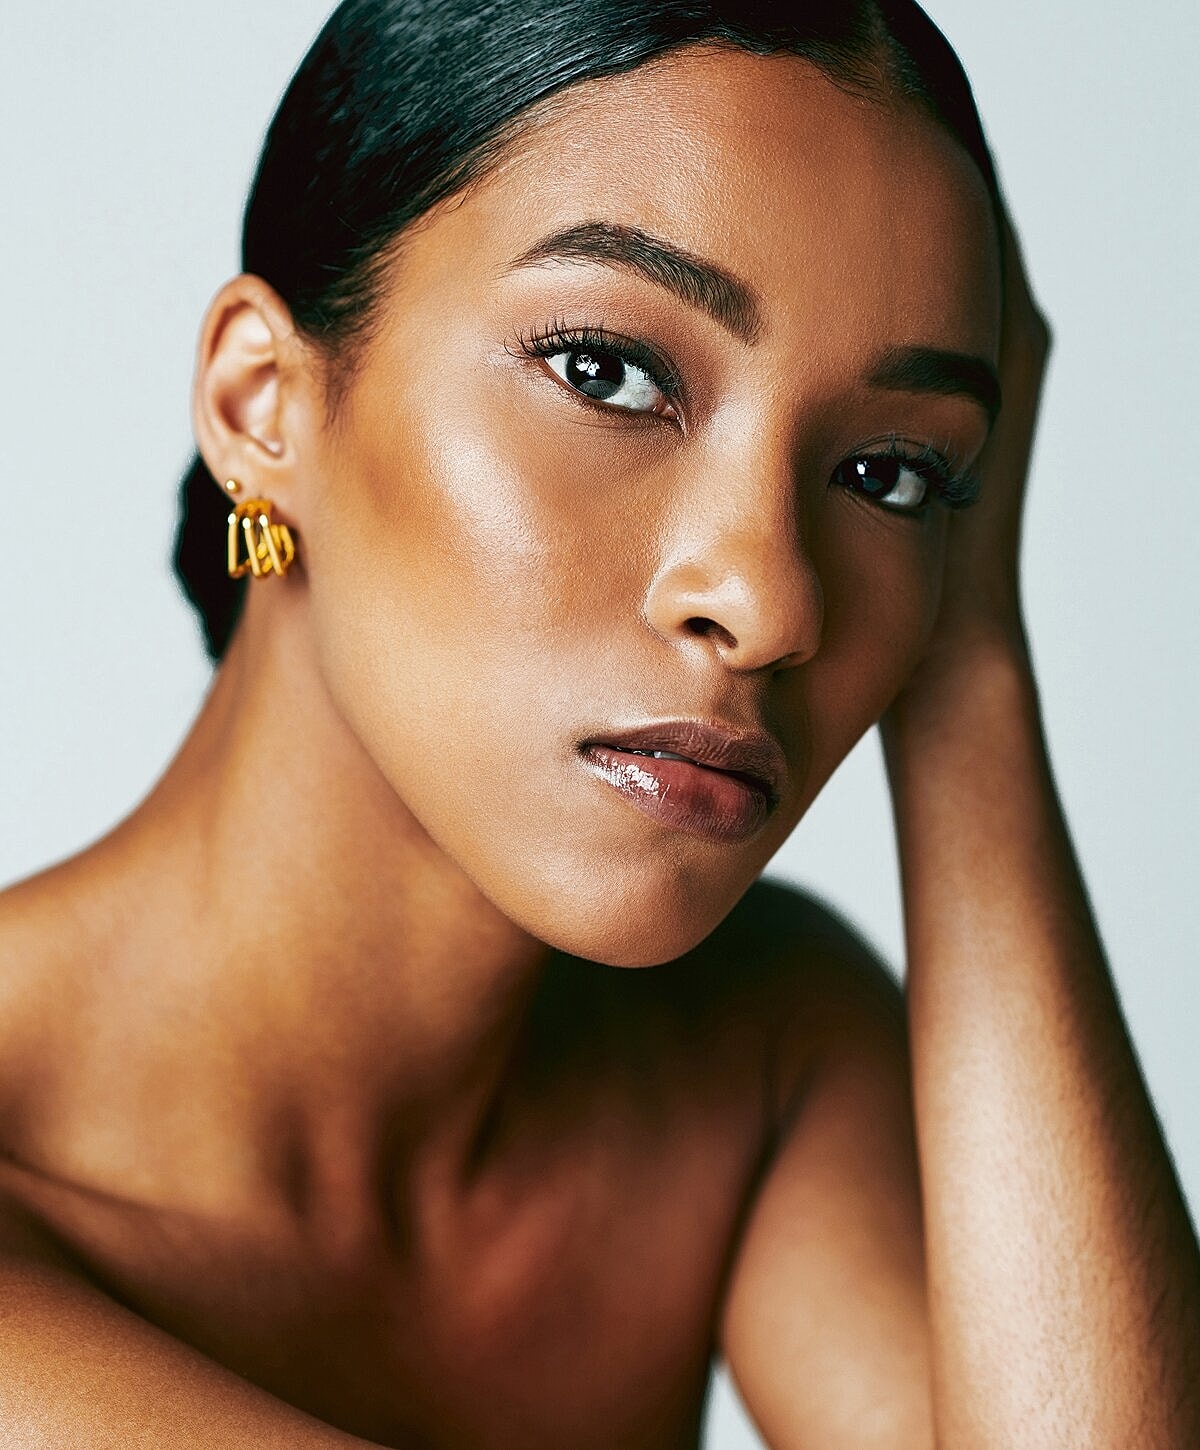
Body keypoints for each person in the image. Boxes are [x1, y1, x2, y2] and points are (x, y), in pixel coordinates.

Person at [0, 0, 1196, 1444]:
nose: (771, 601)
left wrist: (969, 666)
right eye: (607, 372)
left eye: (889, 472)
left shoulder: (758, 1056)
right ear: (262, 405)